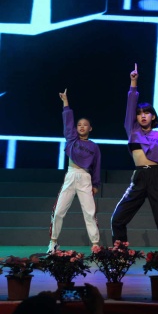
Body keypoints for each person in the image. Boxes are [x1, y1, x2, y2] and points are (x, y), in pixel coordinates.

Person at [111, 64, 158, 275]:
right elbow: (130, 107)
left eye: (147, 113)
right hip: (139, 176)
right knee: (117, 219)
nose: (142, 116)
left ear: (153, 117)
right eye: (140, 113)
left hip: (157, 177)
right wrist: (134, 83)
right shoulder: (132, 131)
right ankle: (120, 258)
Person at [48, 89, 101, 253]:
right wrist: (65, 102)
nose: (81, 127)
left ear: (90, 128)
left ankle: (95, 245)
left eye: (85, 125)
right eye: (79, 125)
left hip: (85, 178)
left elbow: (97, 166)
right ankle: (53, 242)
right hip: (71, 175)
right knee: (58, 211)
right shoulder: (71, 139)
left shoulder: (94, 147)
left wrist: (96, 184)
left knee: (90, 213)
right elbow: (68, 122)